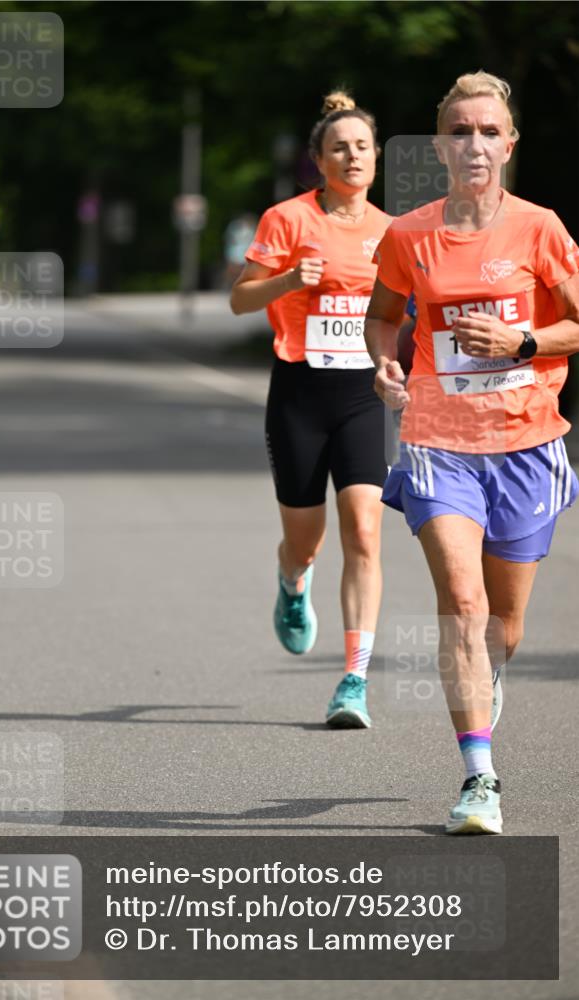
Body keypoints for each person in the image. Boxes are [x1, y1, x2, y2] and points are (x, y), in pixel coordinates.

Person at [365, 71, 579, 833]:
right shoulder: (407, 234)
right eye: (461, 131)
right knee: (460, 602)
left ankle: (488, 680)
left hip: (524, 442)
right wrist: (385, 362)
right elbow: (384, 314)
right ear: (440, 145)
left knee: (504, 627)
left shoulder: (538, 228)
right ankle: (478, 776)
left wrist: (524, 340)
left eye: (489, 131)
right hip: (435, 443)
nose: (475, 143)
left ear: (509, 143)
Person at [231, 91, 392, 728]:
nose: (351, 156)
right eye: (338, 148)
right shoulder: (287, 219)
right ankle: (294, 583)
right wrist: (289, 280)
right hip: (298, 392)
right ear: (318, 161)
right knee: (306, 539)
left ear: (376, 156)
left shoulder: (392, 231)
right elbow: (241, 301)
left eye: (361, 146)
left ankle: (353, 679)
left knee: (366, 529)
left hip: (363, 394)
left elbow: (406, 315)